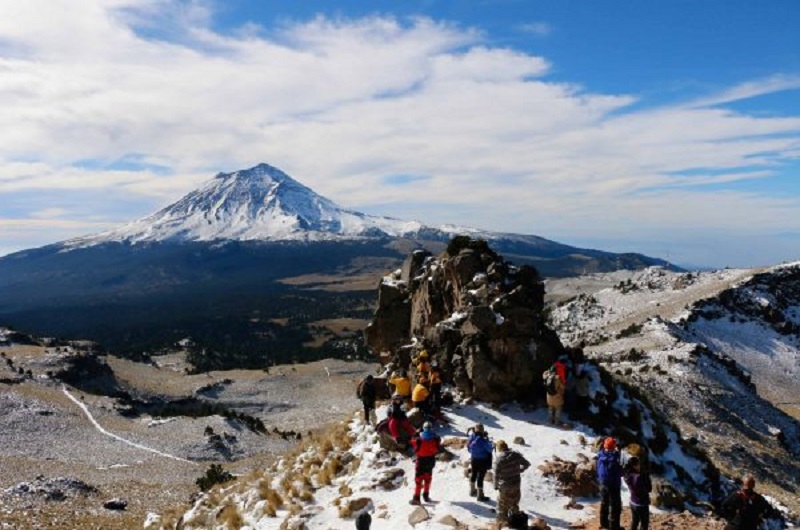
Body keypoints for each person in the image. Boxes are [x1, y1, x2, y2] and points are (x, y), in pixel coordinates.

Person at [493, 439, 531, 528]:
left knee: (501, 508)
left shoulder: (498, 460)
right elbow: (527, 464)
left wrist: (495, 486)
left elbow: (495, 476)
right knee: (514, 504)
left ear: (499, 449)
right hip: (516, 484)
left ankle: (502, 525)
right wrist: (520, 470)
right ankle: (516, 525)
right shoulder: (516, 455)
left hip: (505, 486)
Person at [410, 421, 441, 505]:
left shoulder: (419, 440)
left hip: (420, 462)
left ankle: (416, 498)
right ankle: (426, 496)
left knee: (418, 481)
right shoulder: (435, 440)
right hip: (430, 461)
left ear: (423, 429)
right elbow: (437, 447)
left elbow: (412, 440)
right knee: (428, 479)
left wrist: (416, 433)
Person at [597, 437, 623, 530]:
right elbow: (620, 472)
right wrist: (617, 454)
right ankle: (614, 526)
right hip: (613, 485)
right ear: (613, 447)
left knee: (604, 503)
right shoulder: (614, 459)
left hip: (602, 483)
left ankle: (604, 525)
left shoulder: (600, 454)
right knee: (615, 506)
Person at [623, 456, 651, 530]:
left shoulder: (628, 474)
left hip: (633, 501)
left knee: (635, 521)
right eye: (638, 464)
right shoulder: (638, 477)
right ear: (634, 466)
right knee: (644, 524)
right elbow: (648, 489)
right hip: (641, 503)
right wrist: (646, 477)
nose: (640, 465)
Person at [467, 423, 493, 501]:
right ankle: (480, 496)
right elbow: (490, 450)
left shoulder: (471, 437)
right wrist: (488, 441)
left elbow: (468, 448)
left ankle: (472, 491)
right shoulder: (484, 440)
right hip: (483, 460)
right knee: (480, 477)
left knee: (474, 474)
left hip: (474, 459)